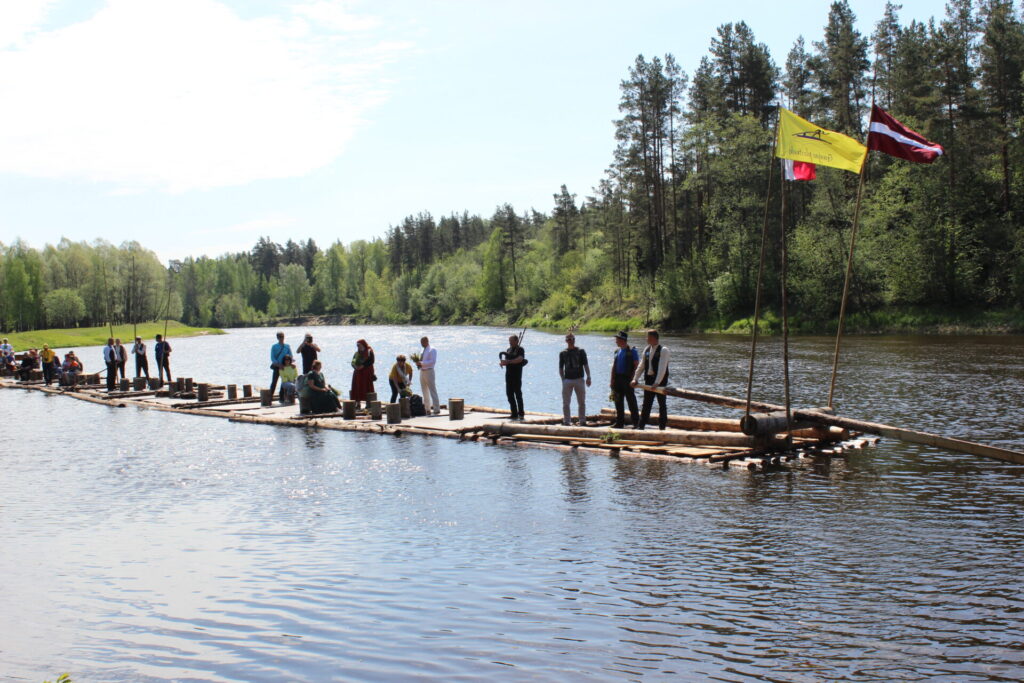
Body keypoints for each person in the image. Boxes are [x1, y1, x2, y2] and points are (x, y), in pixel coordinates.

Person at [632, 329, 670, 430]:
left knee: (662, 404)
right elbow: (641, 366)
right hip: (648, 380)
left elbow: (662, 369)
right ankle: (641, 427)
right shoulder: (647, 350)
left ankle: (662, 428)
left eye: (647, 337)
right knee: (646, 404)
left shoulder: (664, 350)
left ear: (653, 338)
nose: (646, 339)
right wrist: (635, 379)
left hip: (660, 382)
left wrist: (657, 383)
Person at [559, 333, 591, 426]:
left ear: (574, 340)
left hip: (579, 379)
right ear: (566, 341)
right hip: (567, 380)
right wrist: (563, 379)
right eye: (568, 339)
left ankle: (582, 420)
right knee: (566, 403)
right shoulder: (563, 353)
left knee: (581, 402)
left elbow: (586, 365)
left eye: (572, 339)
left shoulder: (581, 351)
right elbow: (561, 368)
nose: (570, 341)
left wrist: (588, 377)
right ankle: (567, 421)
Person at [610, 331, 640, 429]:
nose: (616, 341)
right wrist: (612, 380)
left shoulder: (632, 351)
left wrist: (633, 378)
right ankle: (620, 423)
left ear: (623, 340)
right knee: (617, 401)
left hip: (627, 379)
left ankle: (636, 423)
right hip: (617, 379)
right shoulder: (617, 351)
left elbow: (636, 365)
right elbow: (614, 366)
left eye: (617, 339)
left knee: (631, 401)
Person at [500, 334, 526, 421]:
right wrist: (503, 362)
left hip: (517, 375)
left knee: (518, 394)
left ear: (516, 341)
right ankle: (514, 413)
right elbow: (506, 361)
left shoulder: (520, 349)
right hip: (508, 375)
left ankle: (521, 413)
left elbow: (520, 359)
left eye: (511, 341)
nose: (509, 343)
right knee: (509, 394)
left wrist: (509, 361)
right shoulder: (509, 350)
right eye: (509, 341)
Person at [416, 336, 440, 415]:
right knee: (424, 390)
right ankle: (427, 409)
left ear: (427, 341)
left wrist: (422, 363)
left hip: (429, 371)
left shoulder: (432, 349)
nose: (421, 344)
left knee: (432, 390)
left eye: (422, 342)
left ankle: (436, 408)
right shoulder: (423, 350)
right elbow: (422, 359)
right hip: (422, 371)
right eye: (421, 342)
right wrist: (418, 363)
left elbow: (432, 361)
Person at [350, 339, 375, 406]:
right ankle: (358, 403)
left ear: (363, 344)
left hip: (367, 373)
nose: (358, 347)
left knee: (367, 387)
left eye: (359, 345)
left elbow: (371, 361)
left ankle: (368, 403)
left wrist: (363, 366)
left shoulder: (369, 351)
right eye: (357, 346)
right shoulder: (357, 353)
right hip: (358, 373)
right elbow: (353, 361)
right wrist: (355, 367)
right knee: (357, 387)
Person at [269, 331, 292, 402]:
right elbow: (272, 357)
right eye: (280, 337)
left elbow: (290, 356)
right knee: (274, 382)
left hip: (285, 367)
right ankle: (270, 397)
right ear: (277, 338)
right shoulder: (274, 346)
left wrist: (288, 363)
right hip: (277, 366)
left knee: (284, 382)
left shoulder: (287, 346)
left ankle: (281, 397)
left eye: (283, 336)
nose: (282, 338)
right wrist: (278, 364)